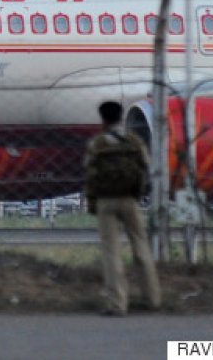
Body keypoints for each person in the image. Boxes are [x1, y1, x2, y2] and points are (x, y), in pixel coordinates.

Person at [84, 101, 161, 315]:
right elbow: (146, 167)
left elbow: (90, 175)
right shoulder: (134, 141)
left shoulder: (97, 144)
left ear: (103, 119)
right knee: (141, 247)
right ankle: (152, 298)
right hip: (130, 199)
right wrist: (140, 192)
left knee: (112, 251)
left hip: (106, 201)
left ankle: (118, 303)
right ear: (121, 117)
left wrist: (92, 203)